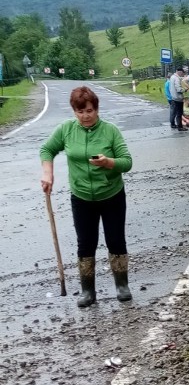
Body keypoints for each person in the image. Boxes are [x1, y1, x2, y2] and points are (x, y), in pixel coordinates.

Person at [39, 86, 133, 308]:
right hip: (81, 198)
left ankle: (122, 286)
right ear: (74, 112)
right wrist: (47, 173)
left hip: (112, 195)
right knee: (85, 244)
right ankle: (87, 291)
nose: (85, 116)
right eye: (80, 112)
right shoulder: (66, 130)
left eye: (89, 111)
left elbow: (127, 162)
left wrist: (108, 162)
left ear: (97, 109)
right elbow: (47, 149)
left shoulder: (110, 131)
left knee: (116, 239)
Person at [168, 66, 188, 132]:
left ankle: (173, 124)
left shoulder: (172, 77)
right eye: (182, 73)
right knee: (179, 113)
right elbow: (178, 89)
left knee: (173, 112)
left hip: (173, 97)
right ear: (179, 72)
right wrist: (184, 90)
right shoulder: (176, 79)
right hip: (178, 98)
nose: (182, 75)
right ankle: (180, 127)